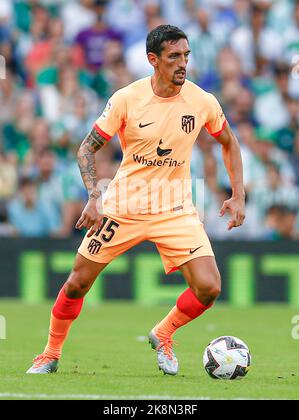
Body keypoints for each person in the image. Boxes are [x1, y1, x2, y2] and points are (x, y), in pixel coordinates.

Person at [27, 25, 245, 375]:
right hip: (123, 206)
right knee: (77, 282)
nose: (183, 64)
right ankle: (50, 353)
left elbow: (229, 142)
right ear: (153, 60)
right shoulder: (127, 98)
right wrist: (94, 195)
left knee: (209, 287)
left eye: (186, 56)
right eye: (174, 57)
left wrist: (238, 195)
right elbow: (87, 148)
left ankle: (163, 332)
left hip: (174, 207)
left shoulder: (202, 101)